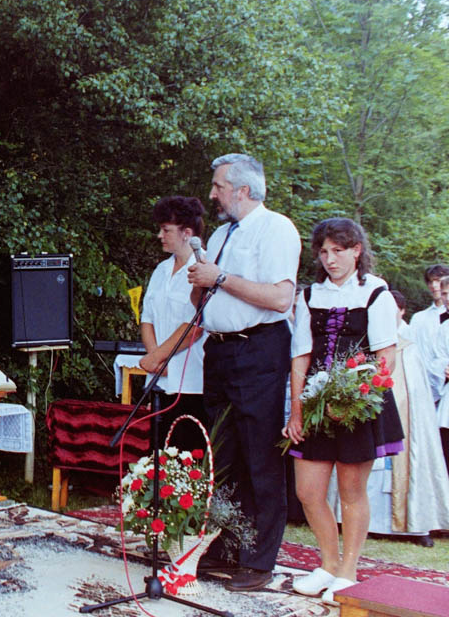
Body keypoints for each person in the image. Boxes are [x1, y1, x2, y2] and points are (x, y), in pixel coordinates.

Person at [187, 153, 300, 592]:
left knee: (260, 456)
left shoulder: (276, 229)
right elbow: (206, 296)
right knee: (224, 454)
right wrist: (201, 282)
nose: (212, 194)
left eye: (218, 186)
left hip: (259, 349)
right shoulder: (219, 234)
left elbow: (279, 299)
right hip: (219, 351)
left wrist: (220, 278)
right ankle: (228, 544)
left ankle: (259, 559)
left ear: (243, 190)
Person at [284, 218, 404, 604]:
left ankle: (348, 572)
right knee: (307, 491)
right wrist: (297, 411)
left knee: (352, 491)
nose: (330, 259)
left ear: (356, 251)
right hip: (316, 404)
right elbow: (301, 358)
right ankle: (327, 565)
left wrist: (354, 398)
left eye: (338, 250)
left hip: (359, 405)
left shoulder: (376, 293)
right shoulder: (309, 296)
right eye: (323, 252)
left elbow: (385, 359)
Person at [138, 196, 209, 450]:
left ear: (187, 233)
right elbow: (147, 318)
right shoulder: (161, 270)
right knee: (157, 453)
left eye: (166, 230)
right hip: (160, 379)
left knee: (188, 454)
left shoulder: (204, 267)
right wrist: (155, 359)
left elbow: (196, 325)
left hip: (192, 382)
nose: (160, 235)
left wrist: (158, 358)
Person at [400, 265, 449, 405]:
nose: (434, 285)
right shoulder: (419, 319)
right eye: (430, 281)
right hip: (424, 388)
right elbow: (410, 352)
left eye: (438, 280)